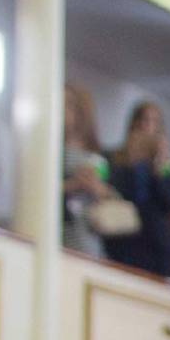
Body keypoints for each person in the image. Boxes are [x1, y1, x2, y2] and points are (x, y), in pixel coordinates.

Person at [103, 101, 170, 278]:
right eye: (143, 120)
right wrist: (131, 159)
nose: (147, 126)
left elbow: (169, 203)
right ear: (134, 124)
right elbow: (114, 191)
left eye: (154, 121)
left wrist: (157, 166)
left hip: (155, 244)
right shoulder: (114, 158)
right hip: (121, 236)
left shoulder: (168, 167)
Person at [60, 85, 114, 258]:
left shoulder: (97, 161)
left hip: (86, 245)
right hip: (53, 239)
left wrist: (98, 189)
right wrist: (72, 185)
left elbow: (109, 199)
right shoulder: (47, 156)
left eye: (67, 104)